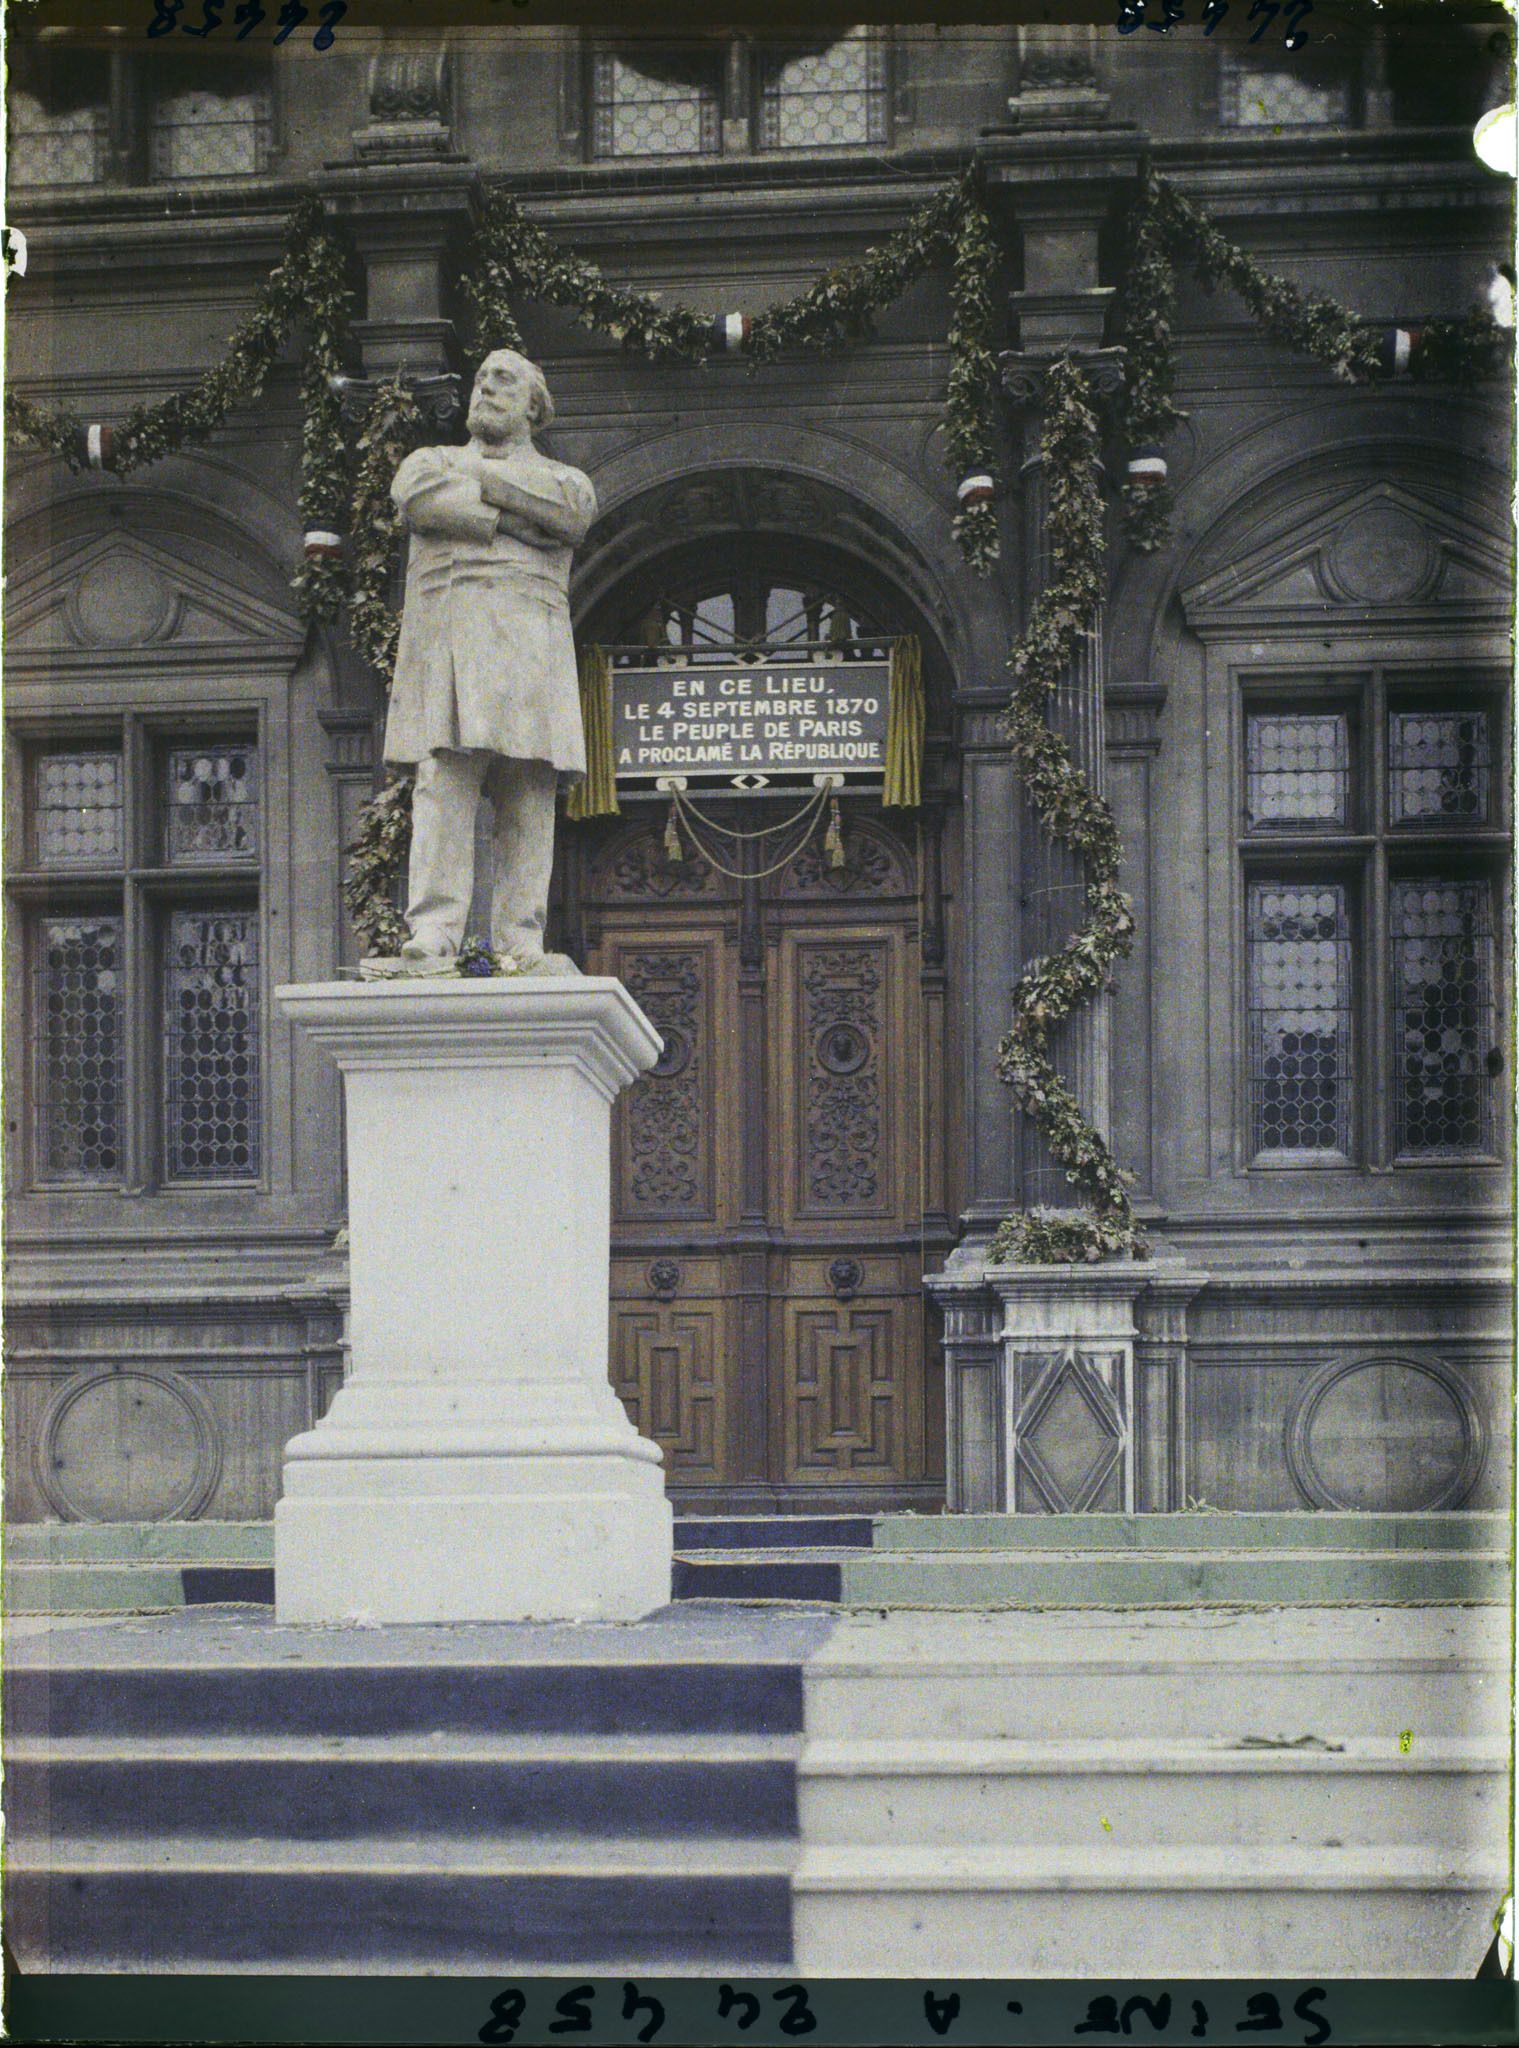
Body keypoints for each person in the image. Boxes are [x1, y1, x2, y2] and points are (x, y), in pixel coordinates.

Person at [382, 348, 597, 966]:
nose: (484, 389)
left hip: (531, 644)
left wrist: (483, 492)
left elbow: (572, 517)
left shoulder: (566, 480)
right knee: (444, 781)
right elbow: (420, 501)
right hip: (449, 636)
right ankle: (435, 931)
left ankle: (520, 937)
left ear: (534, 404)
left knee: (529, 789)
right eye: (479, 381)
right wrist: (522, 519)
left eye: (502, 381)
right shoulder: (430, 462)